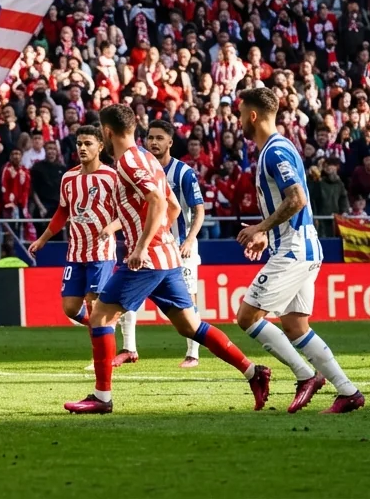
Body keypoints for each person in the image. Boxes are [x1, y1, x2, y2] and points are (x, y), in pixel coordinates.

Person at [65, 105, 267, 415]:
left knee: (101, 316)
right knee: (190, 326)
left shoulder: (129, 161)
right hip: (167, 257)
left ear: (106, 133)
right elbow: (172, 205)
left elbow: (159, 201)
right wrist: (163, 239)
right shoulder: (147, 158)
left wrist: (143, 246)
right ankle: (254, 373)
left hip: (148, 260)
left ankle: (102, 397)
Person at [234, 88, 365, 414]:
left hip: (294, 251)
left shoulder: (275, 151)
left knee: (247, 316)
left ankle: (306, 375)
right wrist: (268, 233)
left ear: (253, 116)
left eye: (240, 115)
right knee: (294, 326)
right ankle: (348, 392)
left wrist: (260, 228)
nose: (238, 122)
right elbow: (290, 203)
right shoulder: (275, 148)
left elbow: (297, 200)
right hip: (298, 246)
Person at [27, 126, 120, 327]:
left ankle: (101, 353)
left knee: (93, 302)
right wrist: (43, 239)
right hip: (76, 252)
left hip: (101, 251)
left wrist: (111, 228)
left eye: (88, 144)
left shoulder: (111, 177)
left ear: (100, 146)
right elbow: (62, 211)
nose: (82, 148)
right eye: (79, 144)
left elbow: (126, 212)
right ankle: (104, 326)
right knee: (70, 308)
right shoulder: (68, 177)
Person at [147, 120, 208, 369]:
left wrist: (190, 240)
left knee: (187, 297)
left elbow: (199, 211)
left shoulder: (183, 172)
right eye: (150, 137)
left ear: (170, 142)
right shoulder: (144, 172)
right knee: (128, 293)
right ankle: (128, 348)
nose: (154, 142)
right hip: (152, 245)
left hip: (182, 245)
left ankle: (193, 353)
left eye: (159, 138)